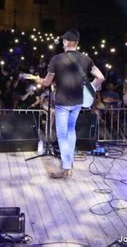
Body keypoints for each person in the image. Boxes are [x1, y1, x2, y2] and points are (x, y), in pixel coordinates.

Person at [37, 30, 105, 179]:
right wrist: (91, 88)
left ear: (67, 43)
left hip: (62, 102)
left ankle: (66, 167)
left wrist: (40, 81)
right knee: (71, 130)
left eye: (63, 41)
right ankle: (69, 161)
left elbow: (47, 82)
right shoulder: (87, 59)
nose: (62, 43)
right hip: (77, 102)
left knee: (62, 134)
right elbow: (100, 77)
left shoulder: (57, 59)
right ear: (77, 43)